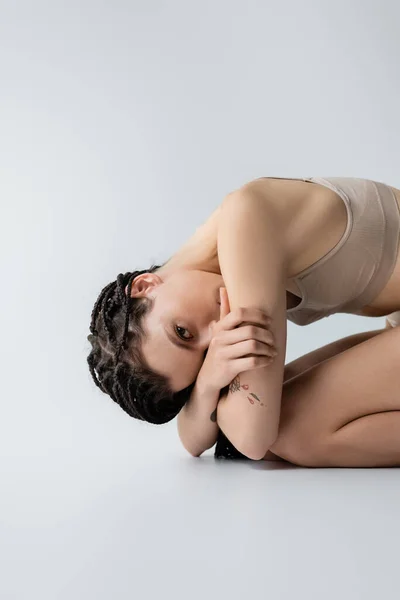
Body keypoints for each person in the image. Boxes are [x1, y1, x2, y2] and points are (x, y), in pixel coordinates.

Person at [87, 176, 400, 466]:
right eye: (205, 355)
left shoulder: (244, 220)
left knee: (292, 430)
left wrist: (214, 385)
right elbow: (192, 440)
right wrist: (208, 383)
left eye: (182, 332)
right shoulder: (222, 266)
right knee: (283, 405)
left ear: (145, 286)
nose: (218, 335)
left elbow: (252, 439)